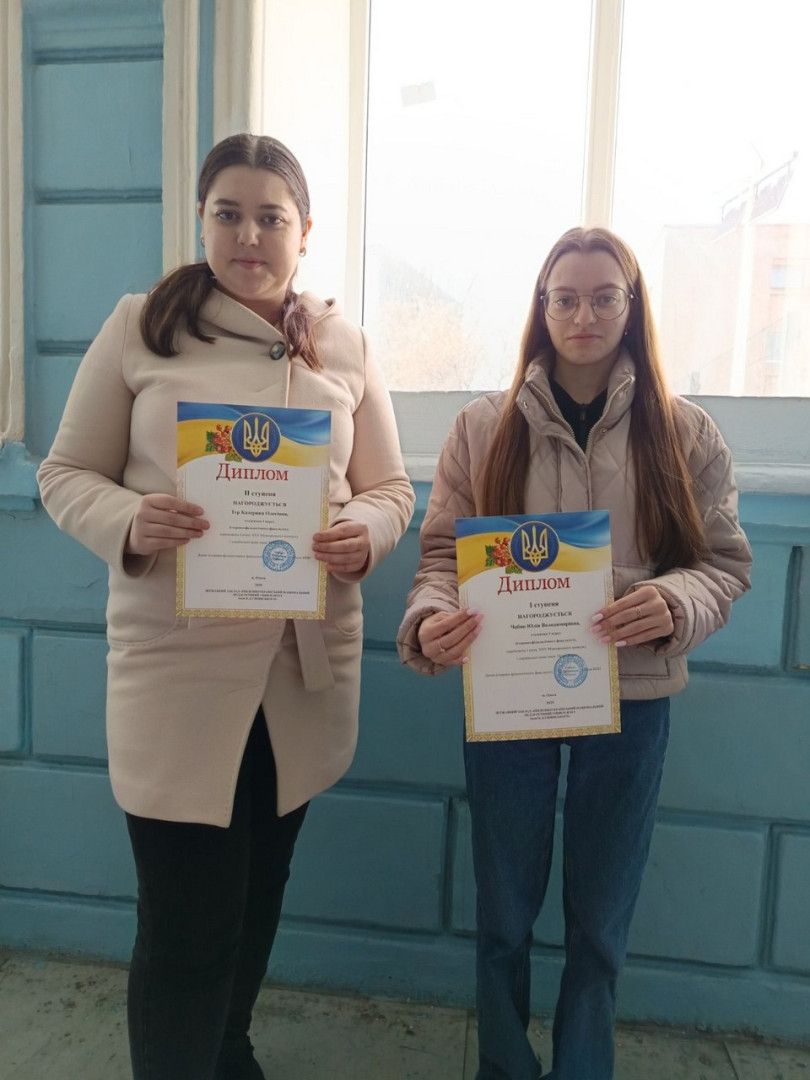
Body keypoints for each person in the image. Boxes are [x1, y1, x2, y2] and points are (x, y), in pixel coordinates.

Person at [38, 133, 414, 1080]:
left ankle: (227, 1049)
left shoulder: (344, 343)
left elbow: (392, 488)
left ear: (305, 230)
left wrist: (363, 531)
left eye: (271, 217)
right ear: (201, 220)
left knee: (258, 891)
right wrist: (132, 518)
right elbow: (64, 473)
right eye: (229, 214)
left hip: (299, 673)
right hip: (178, 674)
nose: (250, 235)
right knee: (185, 923)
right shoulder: (142, 326)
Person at [397, 226, 751, 1080]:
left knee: (601, 918)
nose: (583, 315)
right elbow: (442, 558)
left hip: (633, 700)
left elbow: (724, 564)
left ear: (632, 307)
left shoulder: (685, 432)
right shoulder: (482, 428)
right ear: (542, 307)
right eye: (566, 298)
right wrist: (430, 618)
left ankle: (583, 1067)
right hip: (510, 696)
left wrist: (674, 601)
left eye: (603, 297)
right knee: (504, 910)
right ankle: (504, 1067)